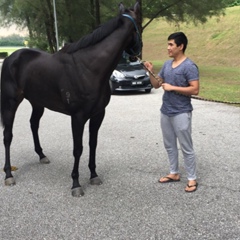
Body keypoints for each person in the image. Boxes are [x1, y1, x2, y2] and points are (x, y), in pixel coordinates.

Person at [144, 32, 199, 192]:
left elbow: (195, 89)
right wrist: (150, 71)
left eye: (171, 45)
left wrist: (173, 87)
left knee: (186, 147)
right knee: (169, 145)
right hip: (165, 111)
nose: (168, 48)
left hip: (181, 112)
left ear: (180, 46)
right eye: (168, 44)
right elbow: (156, 84)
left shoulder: (189, 66)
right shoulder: (168, 65)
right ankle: (174, 173)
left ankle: (191, 179)